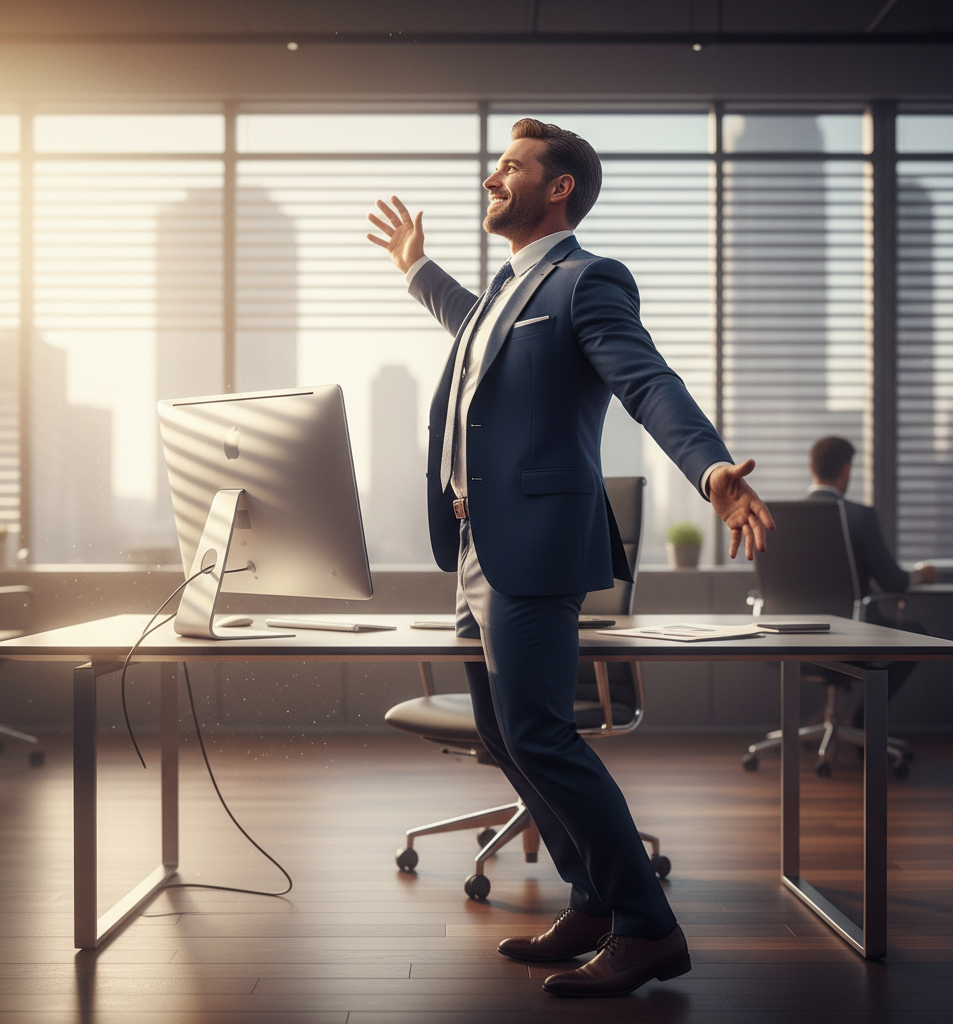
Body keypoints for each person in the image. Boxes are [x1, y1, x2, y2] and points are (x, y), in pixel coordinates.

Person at [366, 118, 774, 999]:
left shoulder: (588, 282)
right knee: (502, 735)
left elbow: (648, 382)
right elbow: (471, 326)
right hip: (474, 543)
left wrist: (711, 471)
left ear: (558, 188)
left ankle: (647, 927)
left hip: (535, 546)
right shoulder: (503, 299)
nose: (491, 179)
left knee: (543, 734)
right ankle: (589, 900)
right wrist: (413, 269)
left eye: (510, 166)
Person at [806, 436, 936, 722]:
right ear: (846, 470)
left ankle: (827, 718)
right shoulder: (859, 516)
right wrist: (920, 574)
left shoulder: (781, 517)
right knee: (918, 636)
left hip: (796, 640)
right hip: (852, 635)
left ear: (810, 467)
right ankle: (863, 719)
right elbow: (893, 582)